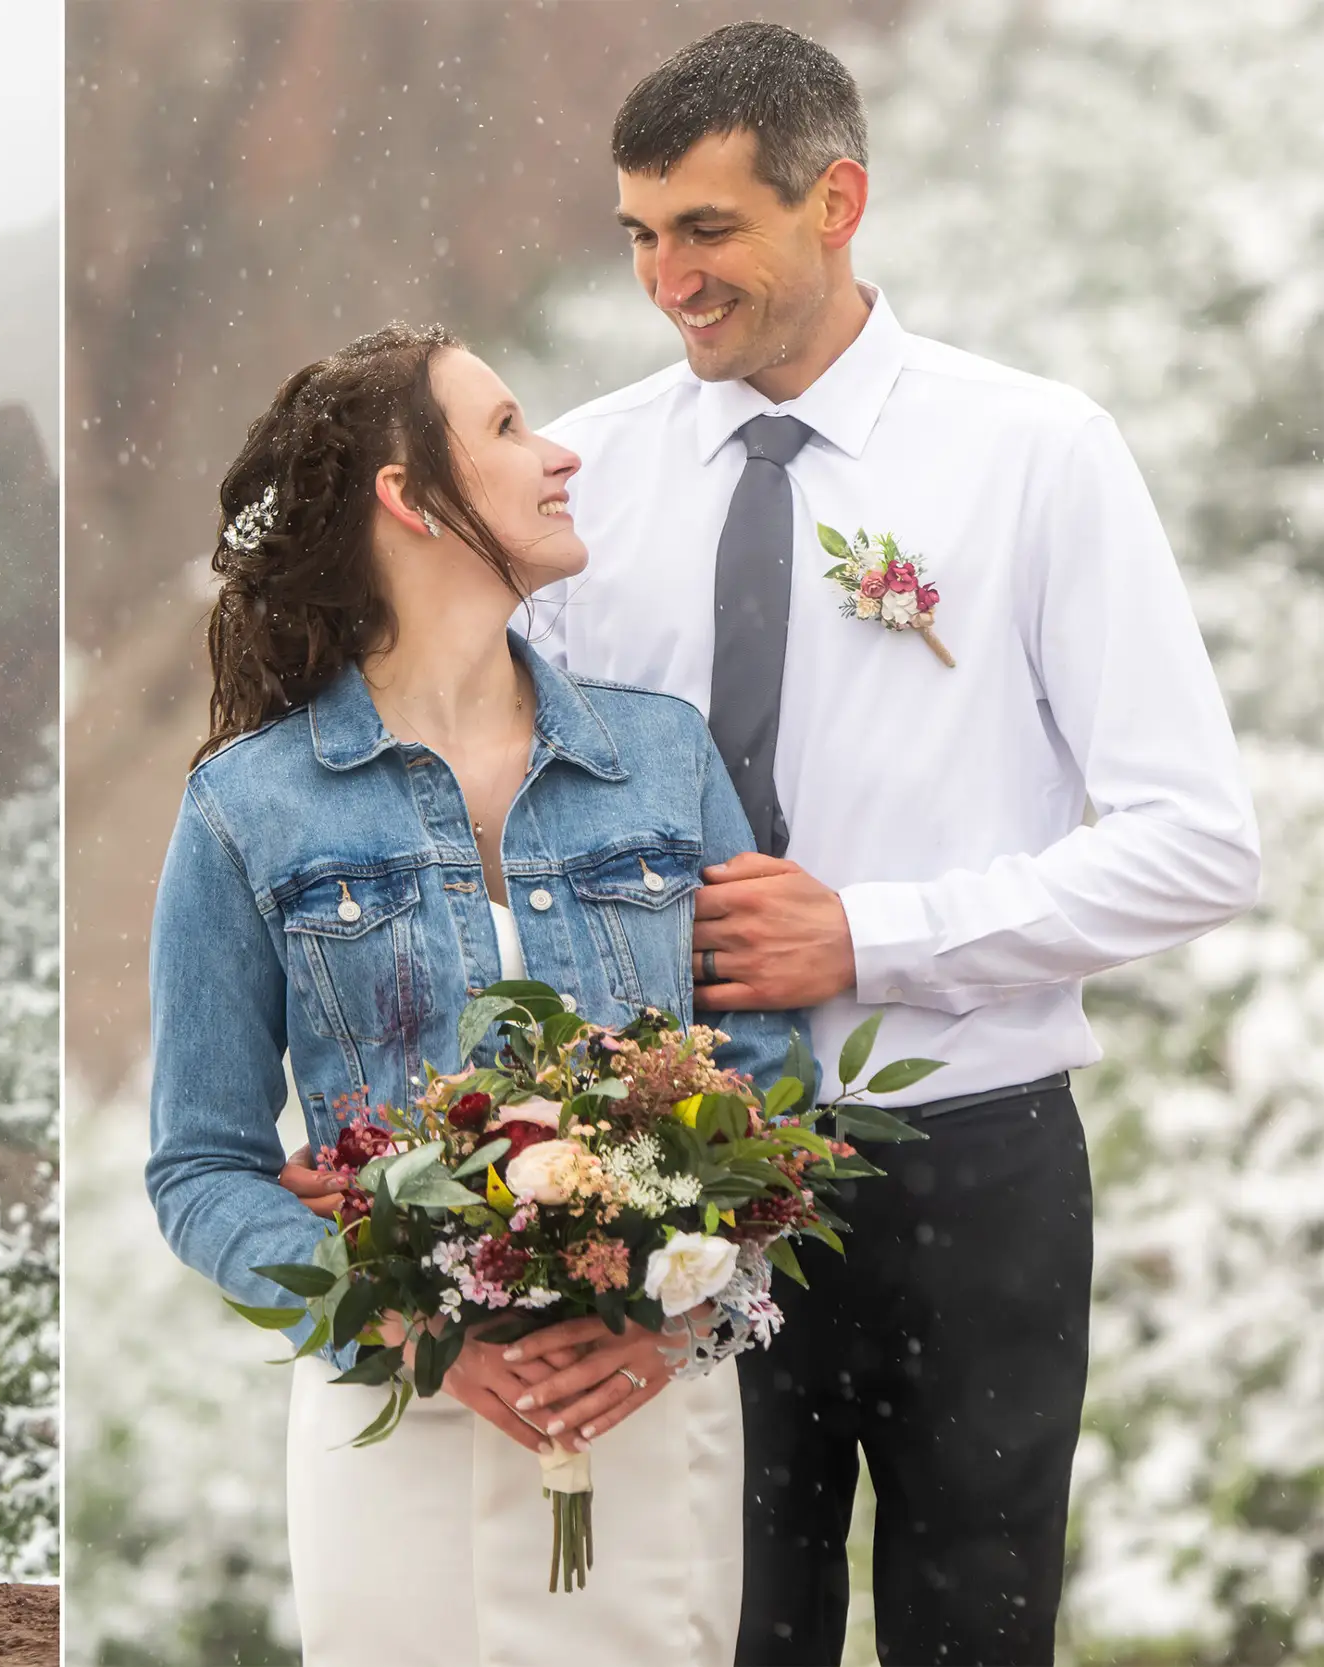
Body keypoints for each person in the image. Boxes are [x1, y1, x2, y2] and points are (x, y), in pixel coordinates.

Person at [536, 23, 1259, 1664]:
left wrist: (871, 936)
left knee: (977, 1635)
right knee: (724, 1636)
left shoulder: (1036, 454)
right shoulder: (584, 477)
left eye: (707, 231)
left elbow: (1200, 841)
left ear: (837, 198)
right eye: (641, 235)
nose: (670, 280)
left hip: (975, 1168)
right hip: (678, 1172)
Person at [145, 322, 809, 1665]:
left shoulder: (661, 756)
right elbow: (200, 1164)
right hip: (399, 1413)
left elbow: (771, 1074)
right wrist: (401, 1318)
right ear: (408, 497)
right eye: (508, 428)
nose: (559, 452)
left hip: (648, 1397)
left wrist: (683, 1312)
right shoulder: (244, 805)